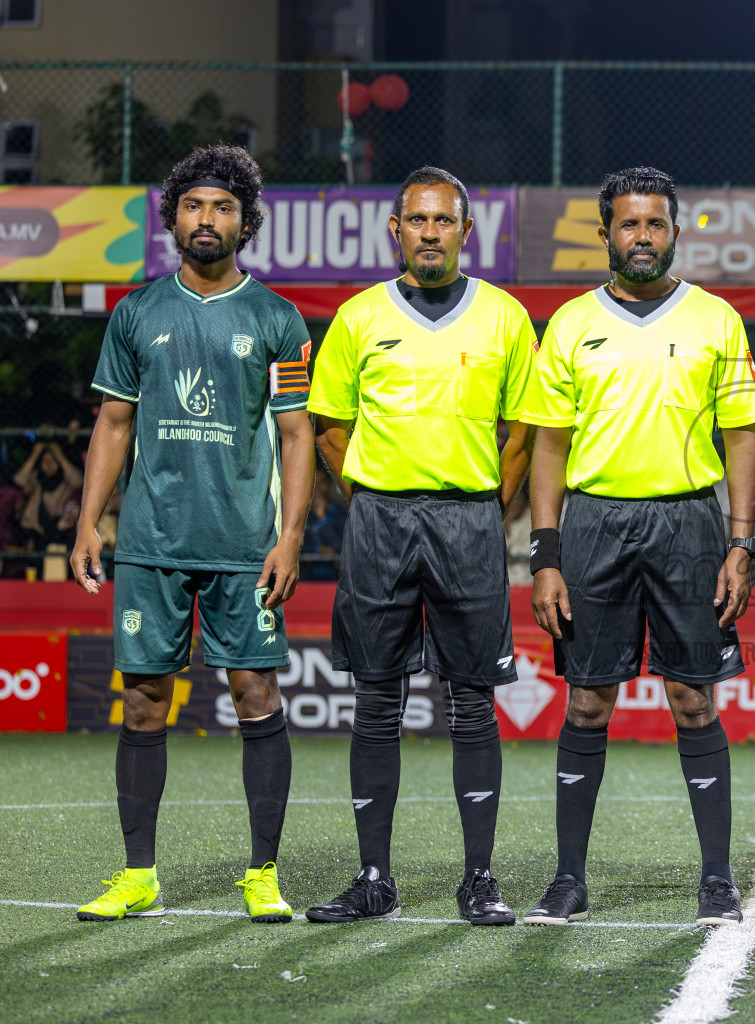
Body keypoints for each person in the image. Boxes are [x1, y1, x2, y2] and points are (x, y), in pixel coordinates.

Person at [68, 144, 315, 923]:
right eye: (194, 206)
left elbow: (298, 437)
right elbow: (113, 423)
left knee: (255, 695)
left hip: (245, 546)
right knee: (143, 704)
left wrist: (292, 536)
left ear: (246, 223)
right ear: (173, 217)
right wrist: (87, 522)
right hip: (150, 544)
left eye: (223, 208)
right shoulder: (137, 312)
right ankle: (138, 874)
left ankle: (263, 874)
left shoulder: (276, 318)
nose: (207, 219)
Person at [521, 167, 755, 927]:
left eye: (655, 224)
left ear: (675, 231)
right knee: (588, 701)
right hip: (594, 524)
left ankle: (718, 879)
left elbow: (741, 435)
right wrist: (546, 554)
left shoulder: (716, 320)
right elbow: (548, 448)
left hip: (690, 525)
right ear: (605, 234)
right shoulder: (568, 324)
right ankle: (568, 878)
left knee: (693, 699)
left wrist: (740, 541)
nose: (642, 237)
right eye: (628, 225)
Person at [305, 166, 536, 926]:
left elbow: (524, 432)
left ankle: (479, 879)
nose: (430, 232)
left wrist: (489, 511)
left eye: (445, 220)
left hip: (468, 521)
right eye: (417, 220)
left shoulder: (504, 317)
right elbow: (329, 423)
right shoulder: (358, 316)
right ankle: (374, 878)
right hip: (379, 523)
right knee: (376, 700)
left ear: (468, 232)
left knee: (471, 703)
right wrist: (367, 496)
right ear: (394, 230)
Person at [15, 439, 83, 549]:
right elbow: (19, 481)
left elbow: (78, 481)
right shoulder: (37, 479)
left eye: (52, 461)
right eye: (45, 461)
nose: (48, 465)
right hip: (35, 530)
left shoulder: (66, 481)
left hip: (60, 529)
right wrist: (35, 455)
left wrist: (59, 456)